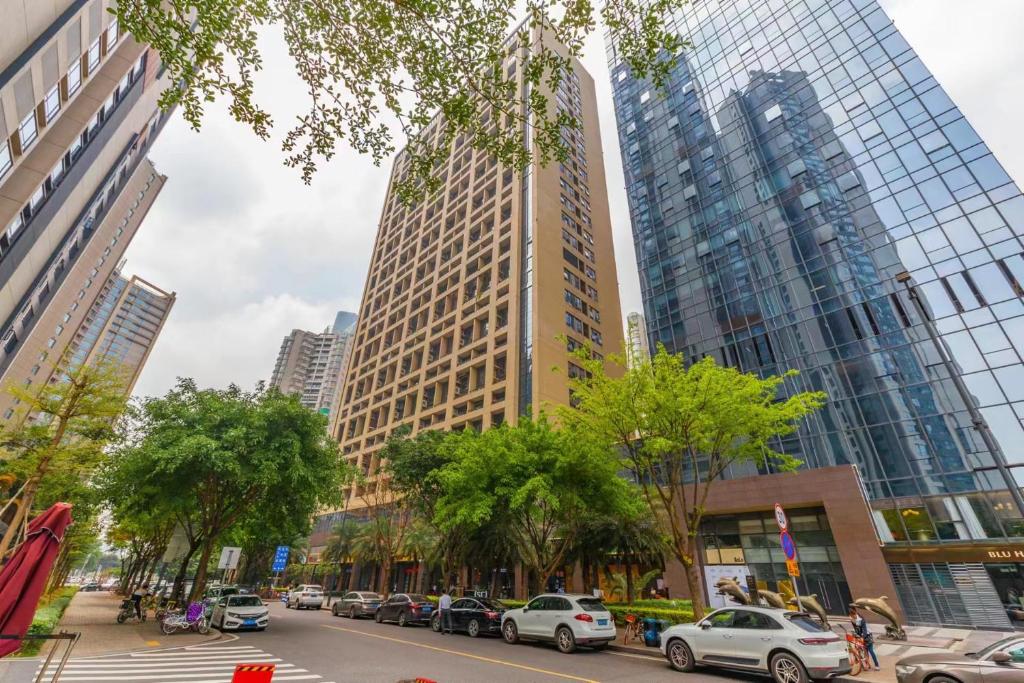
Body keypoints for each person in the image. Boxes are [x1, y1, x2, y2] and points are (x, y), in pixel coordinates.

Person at [849, 605, 880, 671]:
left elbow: (864, 630)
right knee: (865, 652)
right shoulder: (852, 619)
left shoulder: (861, 619)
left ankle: (877, 665)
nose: (852, 617)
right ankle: (867, 665)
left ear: (855, 613)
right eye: (851, 616)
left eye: (853, 615)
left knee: (871, 651)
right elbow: (856, 629)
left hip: (868, 635)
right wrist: (856, 635)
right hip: (861, 637)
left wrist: (863, 637)